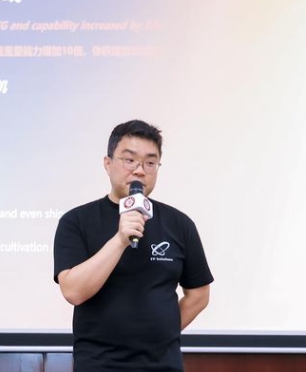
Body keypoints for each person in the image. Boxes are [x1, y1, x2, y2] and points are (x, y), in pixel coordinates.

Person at [53, 119, 214, 372]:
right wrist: (119, 241)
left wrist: (161, 333)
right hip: (99, 365)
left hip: (163, 365)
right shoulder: (77, 221)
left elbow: (199, 295)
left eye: (150, 163)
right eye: (129, 160)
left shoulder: (179, 224)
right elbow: (73, 291)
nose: (139, 171)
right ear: (108, 164)